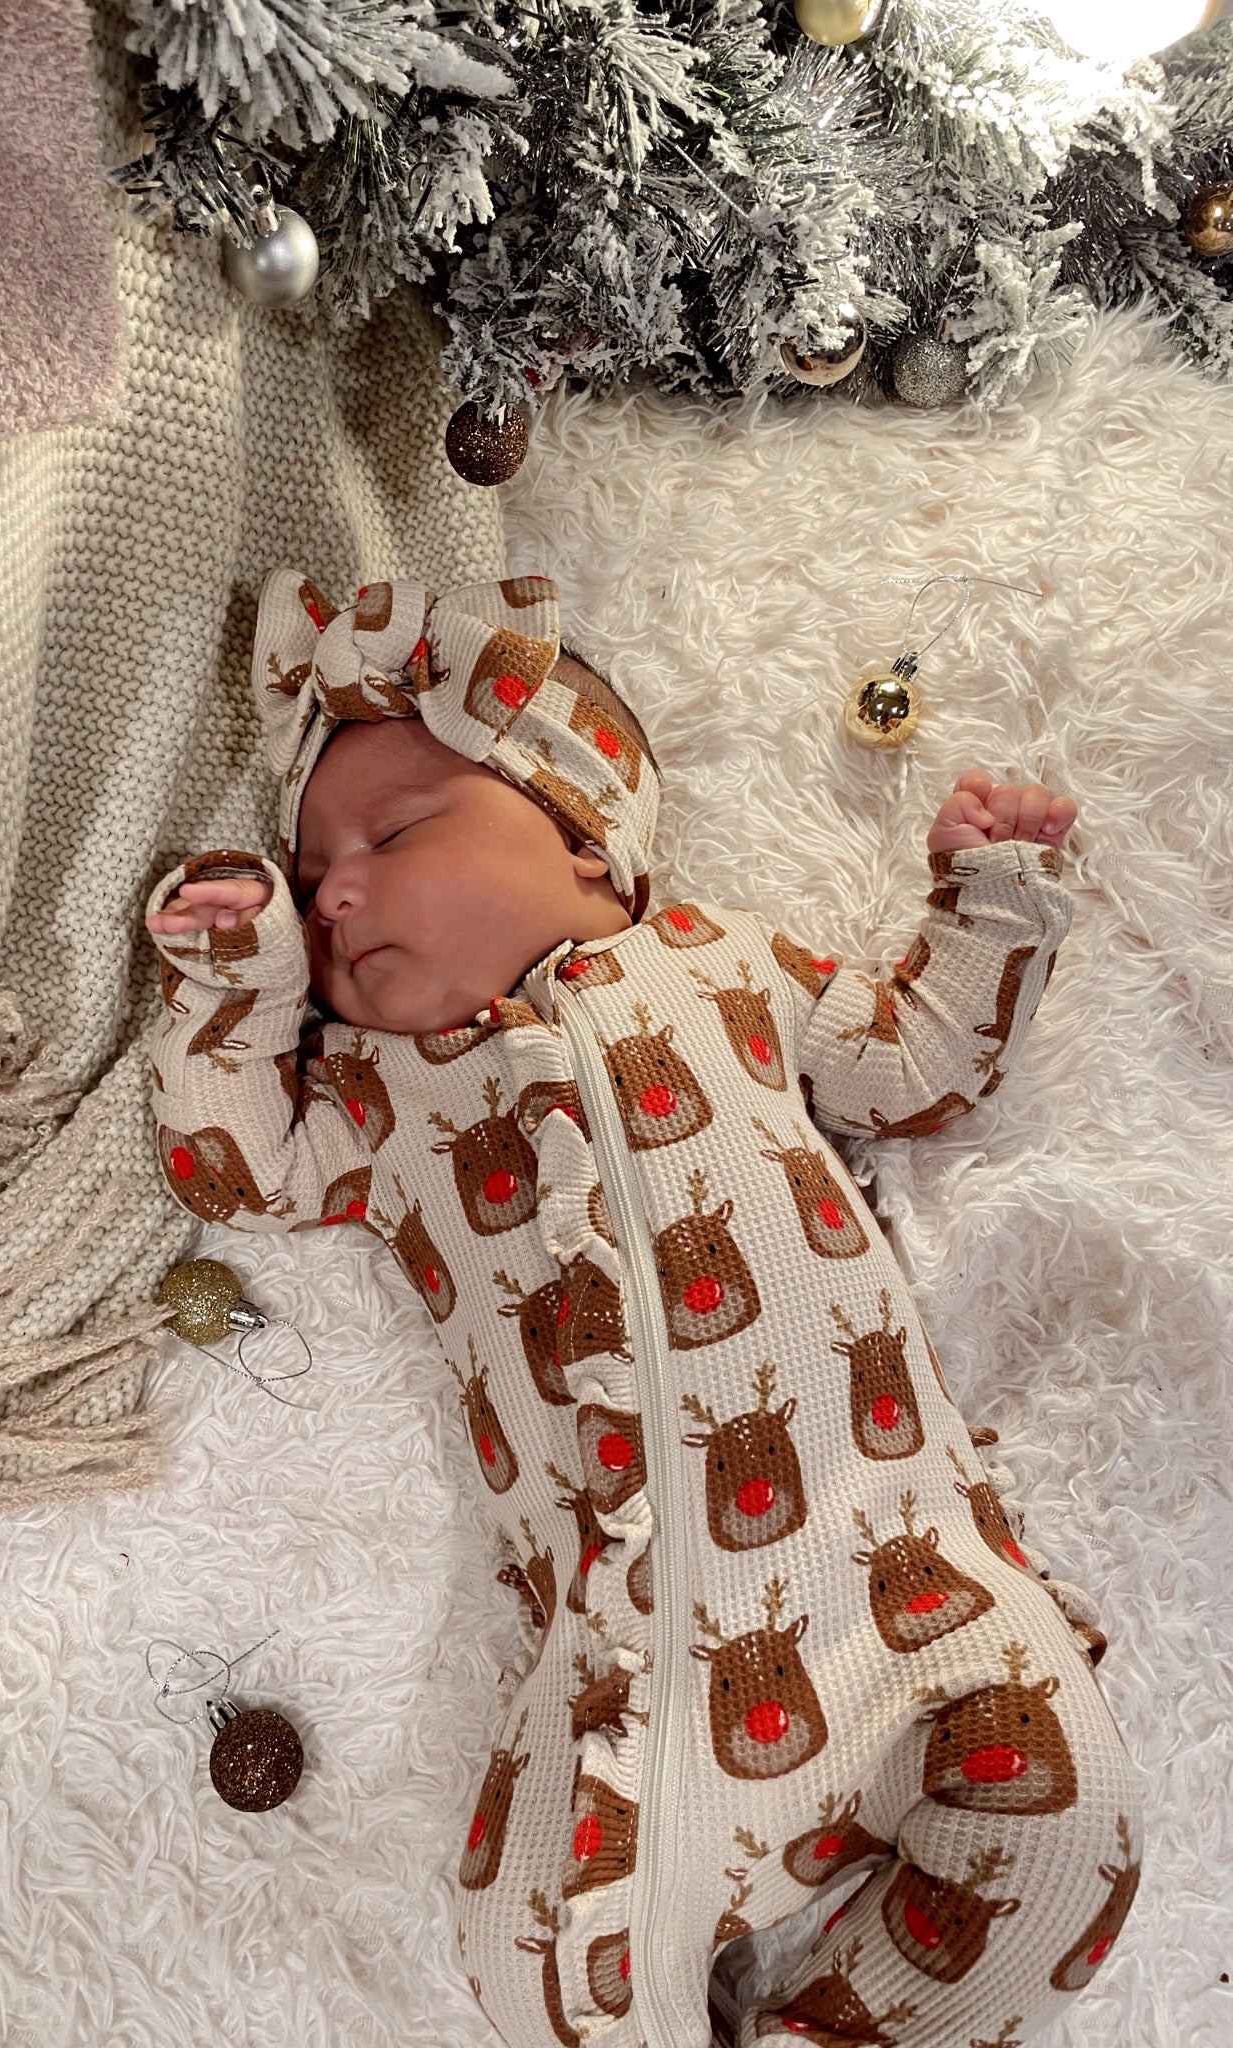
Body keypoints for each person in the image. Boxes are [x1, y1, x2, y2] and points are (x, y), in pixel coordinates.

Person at [143, 570, 1144, 2048]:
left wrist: (990, 901)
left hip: (906, 1579)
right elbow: (234, 1171)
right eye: (308, 882)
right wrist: (240, 983)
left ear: (593, 849)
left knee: (1073, 1829)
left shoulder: (722, 965)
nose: (335, 891)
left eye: (396, 834)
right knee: (533, 1957)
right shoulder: (374, 1097)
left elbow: (915, 1065)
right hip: (639, 1667)